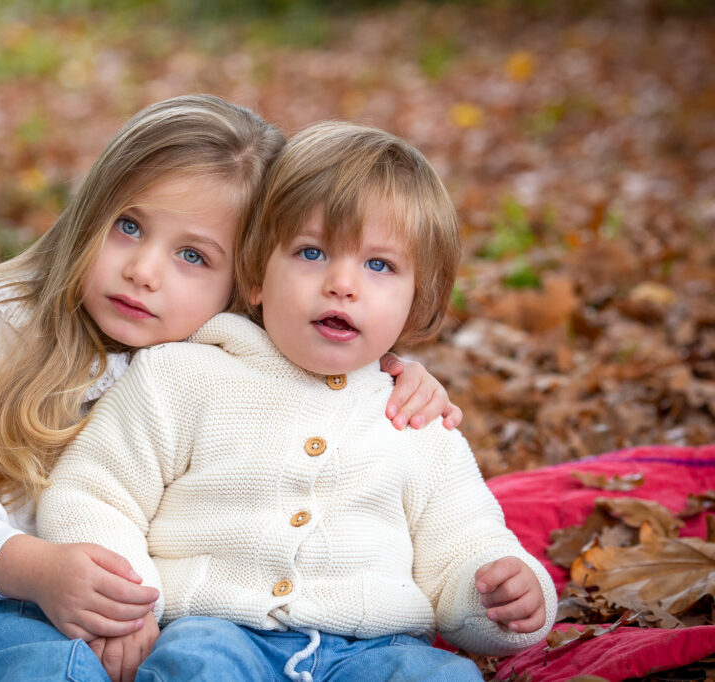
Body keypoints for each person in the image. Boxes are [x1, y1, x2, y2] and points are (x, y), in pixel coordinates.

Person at [0, 97, 461, 681]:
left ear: (248, 283)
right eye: (129, 226)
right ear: (90, 211)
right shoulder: (1, 316)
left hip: (52, 639)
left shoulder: (222, 370)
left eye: (194, 256)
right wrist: (31, 567)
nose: (145, 270)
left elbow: (324, 387)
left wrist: (393, 377)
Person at [37, 121, 558, 682]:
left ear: (417, 300)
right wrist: (126, 603)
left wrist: (501, 596)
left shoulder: (416, 419)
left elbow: (462, 543)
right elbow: (95, 492)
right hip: (216, 628)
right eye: (312, 253)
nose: (342, 283)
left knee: (444, 678)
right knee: (196, 667)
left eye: (378, 265)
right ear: (257, 275)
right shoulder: (183, 377)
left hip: (372, 649)